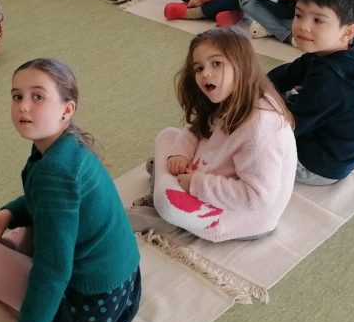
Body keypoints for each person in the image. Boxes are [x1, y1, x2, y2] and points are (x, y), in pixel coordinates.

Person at [0, 59, 141, 322]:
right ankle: (14, 259)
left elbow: (54, 267)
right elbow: (53, 204)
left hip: (90, 305)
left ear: (67, 109)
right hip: (123, 286)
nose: (23, 106)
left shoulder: (56, 171)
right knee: (27, 232)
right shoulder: (66, 145)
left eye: (37, 96)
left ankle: (33, 300)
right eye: (17, 96)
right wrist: (10, 213)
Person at [127, 28, 296, 241]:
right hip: (211, 173)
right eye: (199, 68)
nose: (205, 73)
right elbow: (197, 130)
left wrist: (197, 184)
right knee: (167, 135)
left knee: (168, 205)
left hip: (241, 215)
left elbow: (256, 196)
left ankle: (165, 213)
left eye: (216, 63)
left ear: (242, 65)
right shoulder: (228, 95)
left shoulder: (261, 127)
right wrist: (180, 154)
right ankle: (165, 185)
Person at [267, 0, 354, 185]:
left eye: (318, 20)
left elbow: (289, 126)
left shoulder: (332, 78)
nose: (303, 26)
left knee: (253, 137)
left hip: (319, 166)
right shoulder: (344, 48)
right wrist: (257, 85)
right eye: (299, 15)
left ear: (348, 31)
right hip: (335, 146)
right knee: (269, 95)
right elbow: (292, 71)